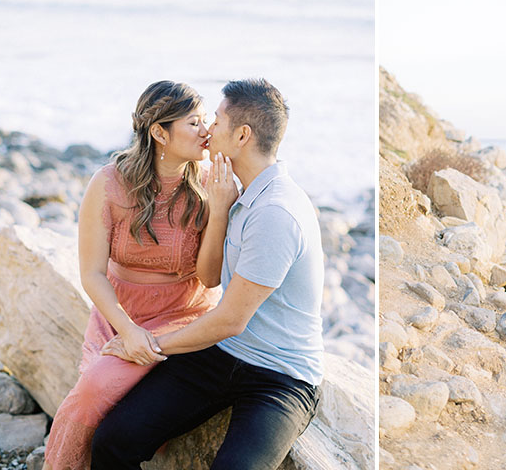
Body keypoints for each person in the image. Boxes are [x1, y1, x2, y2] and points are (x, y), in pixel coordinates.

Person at [91, 78, 323, 470]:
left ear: (243, 135)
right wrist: (219, 209)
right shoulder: (239, 194)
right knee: (114, 440)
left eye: (216, 120)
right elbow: (212, 280)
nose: (208, 129)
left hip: (280, 376)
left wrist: (148, 345)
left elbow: (231, 320)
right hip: (223, 356)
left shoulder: (275, 213)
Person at [44, 81, 238, 470]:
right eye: (194, 122)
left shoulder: (207, 183)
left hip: (182, 314)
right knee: (93, 393)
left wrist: (219, 211)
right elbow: (92, 273)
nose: (207, 131)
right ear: (159, 132)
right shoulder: (109, 182)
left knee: (101, 390)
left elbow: (211, 278)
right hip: (118, 315)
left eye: (206, 121)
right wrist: (129, 331)